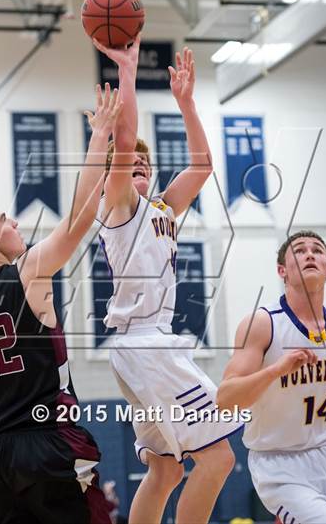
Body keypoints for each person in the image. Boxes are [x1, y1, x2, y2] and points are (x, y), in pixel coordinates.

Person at [0, 84, 122, 524]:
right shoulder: (28, 272)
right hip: (47, 440)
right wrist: (99, 136)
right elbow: (78, 217)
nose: (16, 222)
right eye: (5, 220)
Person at [92, 35, 242, 524]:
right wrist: (130, 71)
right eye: (127, 163)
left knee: (165, 472)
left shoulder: (161, 209)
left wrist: (187, 104)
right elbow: (125, 136)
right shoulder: (118, 208)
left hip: (143, 348)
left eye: (144, 164)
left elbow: (201, 167)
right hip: (146, 348)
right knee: (219, 458)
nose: (136, 166)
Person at [217, 231, 326, 524]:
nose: (310, 254)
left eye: (317, 250)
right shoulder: (263, 324)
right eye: (300, 250)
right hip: (284, 468)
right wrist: (275, 370)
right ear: (282, 271)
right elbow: (225, 399)